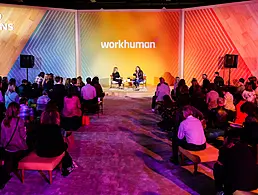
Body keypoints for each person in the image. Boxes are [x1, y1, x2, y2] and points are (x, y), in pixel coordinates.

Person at [213, 129, 257, 195]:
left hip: (237, 185)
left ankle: (220, 191)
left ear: (227, 138)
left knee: (217, 167)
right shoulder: (249, 148)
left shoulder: (225, 150)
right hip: (253, 184)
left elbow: (220, 167)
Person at [35, 107, 74, 176]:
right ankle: (66, 166)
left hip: (40, 152)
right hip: (55, 152)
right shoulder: (59, 129)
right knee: (65, 146)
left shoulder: (38, 128)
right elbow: (69, 142)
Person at [0, 102, 28, 189]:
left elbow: (2, 136)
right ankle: (19, 166)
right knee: (30, 145)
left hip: (7, 147)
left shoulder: (4, 121)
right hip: (18, 147)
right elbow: (23, 136)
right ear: (17, 110)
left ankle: (9, 168)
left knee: (9, 157)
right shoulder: (19, 121)